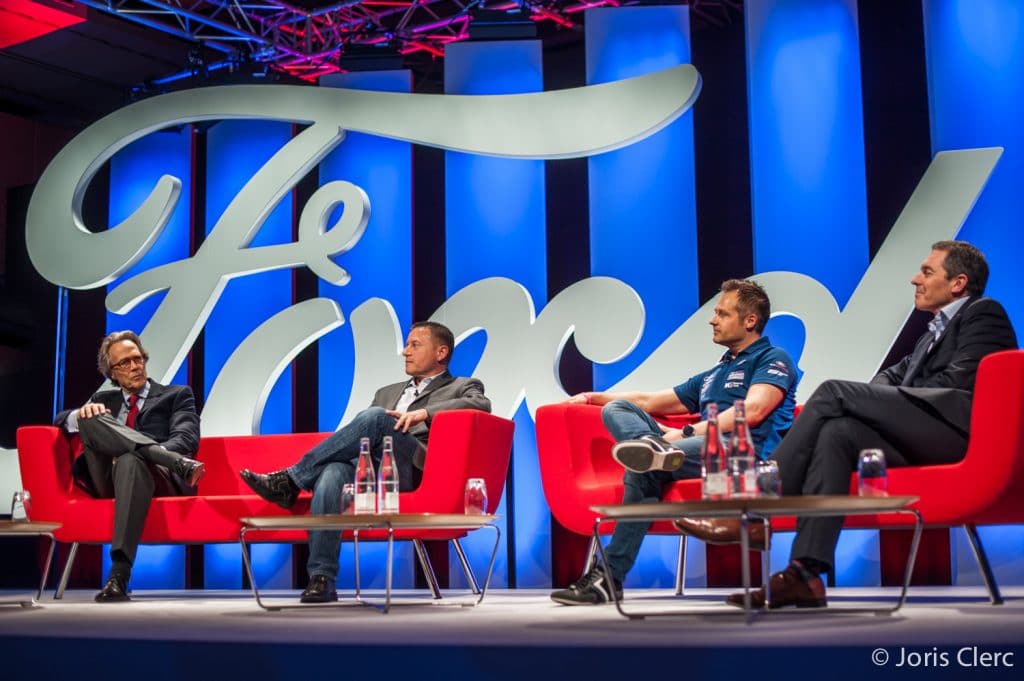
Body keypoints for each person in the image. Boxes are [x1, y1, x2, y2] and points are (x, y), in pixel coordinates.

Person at [675, 241, 1018, 609]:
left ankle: (757, 510)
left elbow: (957, 385)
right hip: (923, 427)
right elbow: (890, 376)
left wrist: (884, 402)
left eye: (928, 271)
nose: (915, 279)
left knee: (833, 392)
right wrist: (878, 404)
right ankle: (806, 574)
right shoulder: (930, 334)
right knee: (837, 433)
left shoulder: (983, 313)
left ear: (958, 283)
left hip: (955, 432)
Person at [550, 279, 799, 605]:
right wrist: (590, 396)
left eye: (722, 313)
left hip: (740, 451)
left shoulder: (772, 358)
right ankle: (652, 450)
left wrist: (684, 433)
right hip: (694, 449)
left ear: (750, 320)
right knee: (618, 409)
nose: (713, 319)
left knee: (643, 469)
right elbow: (651, 400)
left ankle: (608, 577)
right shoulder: (714, 373)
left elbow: (752, 411)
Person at [240, 321, 491, 603]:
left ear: (441, 353)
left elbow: (480, 404)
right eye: (407, 345)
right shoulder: (387, 392)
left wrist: (425, 413)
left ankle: (290, 480)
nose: (405, 352)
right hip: (370, 468)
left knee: (375, 416)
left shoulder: (463, 386)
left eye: (414, 345)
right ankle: (322, 579)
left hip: (411, 468)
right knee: (332, 473)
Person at [55, 331, 203, 602]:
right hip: (106, 478)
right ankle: (172, 462)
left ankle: (118, 576)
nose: (134, 367)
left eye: (137, 359)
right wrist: (78, 415)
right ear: (111, 373)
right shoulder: (104, 400)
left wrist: (143, 454)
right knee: (89, 417)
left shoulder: (176, 394)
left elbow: (186, 438)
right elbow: (59, 420)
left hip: (158, 479)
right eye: (124, 363)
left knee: (130, 459)